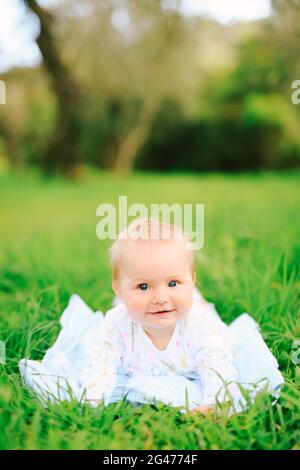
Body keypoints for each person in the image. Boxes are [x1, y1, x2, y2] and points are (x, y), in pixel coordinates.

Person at [19, 217, 284, 415]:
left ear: (191, 279)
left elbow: (217, 364)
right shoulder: (117, 325)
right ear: (120, 291)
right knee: (117, 320)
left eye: (173, 283)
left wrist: (214, 403)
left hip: (197, 320)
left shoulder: (199, 326)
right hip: (129, 315)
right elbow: (101, 361)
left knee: (208, 315)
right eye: (144, 286)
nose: (159, 297)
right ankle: (151, 289)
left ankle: (191, 294)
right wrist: (93, 399)